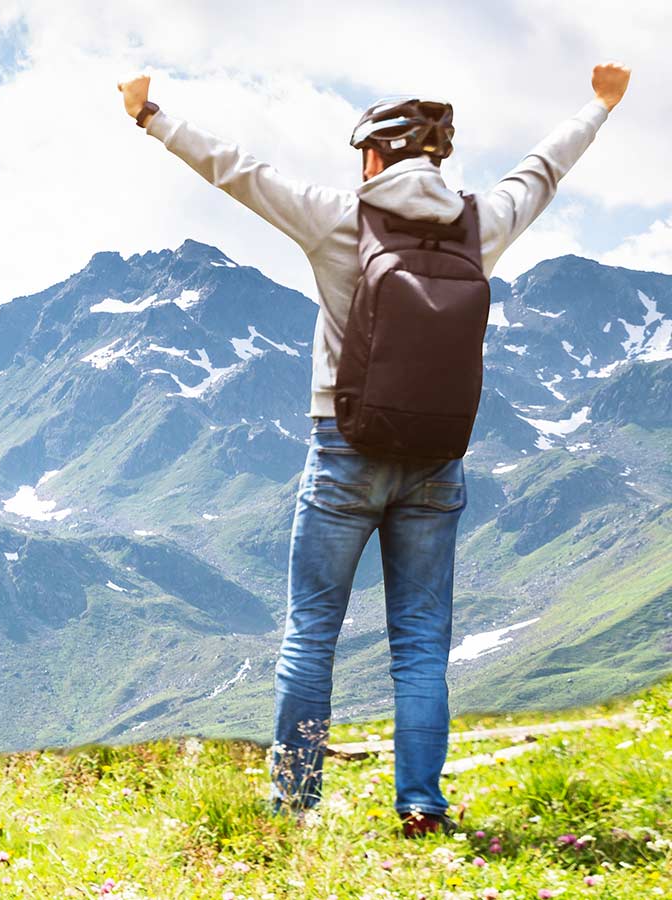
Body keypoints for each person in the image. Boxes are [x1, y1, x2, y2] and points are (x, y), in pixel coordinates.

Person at [116, 62, 631, 835]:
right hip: (436, 459)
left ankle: (294, 807)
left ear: (373, 156)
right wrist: (600, 104)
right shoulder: (480, 223)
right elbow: (543, 169)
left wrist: (150, 114)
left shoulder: (339, 218)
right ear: (436, 158)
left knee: (311, 633)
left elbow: (238, 172)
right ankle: (421, 805)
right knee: (421, 645)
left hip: (344, 448)